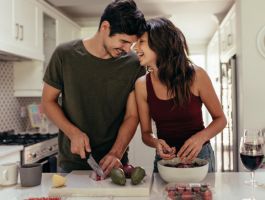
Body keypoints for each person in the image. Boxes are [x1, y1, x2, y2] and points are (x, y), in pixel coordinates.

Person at [41, 0, 146, 176]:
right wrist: (73, 133)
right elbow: (47, 101)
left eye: (132, 44)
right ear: (105, 27)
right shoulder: (64, 54)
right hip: (71, 164)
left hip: (114, 164)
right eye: (123, 41)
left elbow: (132, 115)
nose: (128, 49)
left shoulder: (134, 64)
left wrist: (116, 153)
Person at [134, 17, 227, 172]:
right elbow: (146, 133)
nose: (135, 47)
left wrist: (200, 138)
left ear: (159, 44)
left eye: (141, 42)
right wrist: (156, 142)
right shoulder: (141, 85)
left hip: (200, 157)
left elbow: (221, 119)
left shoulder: (196, 75)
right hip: (165, 162)